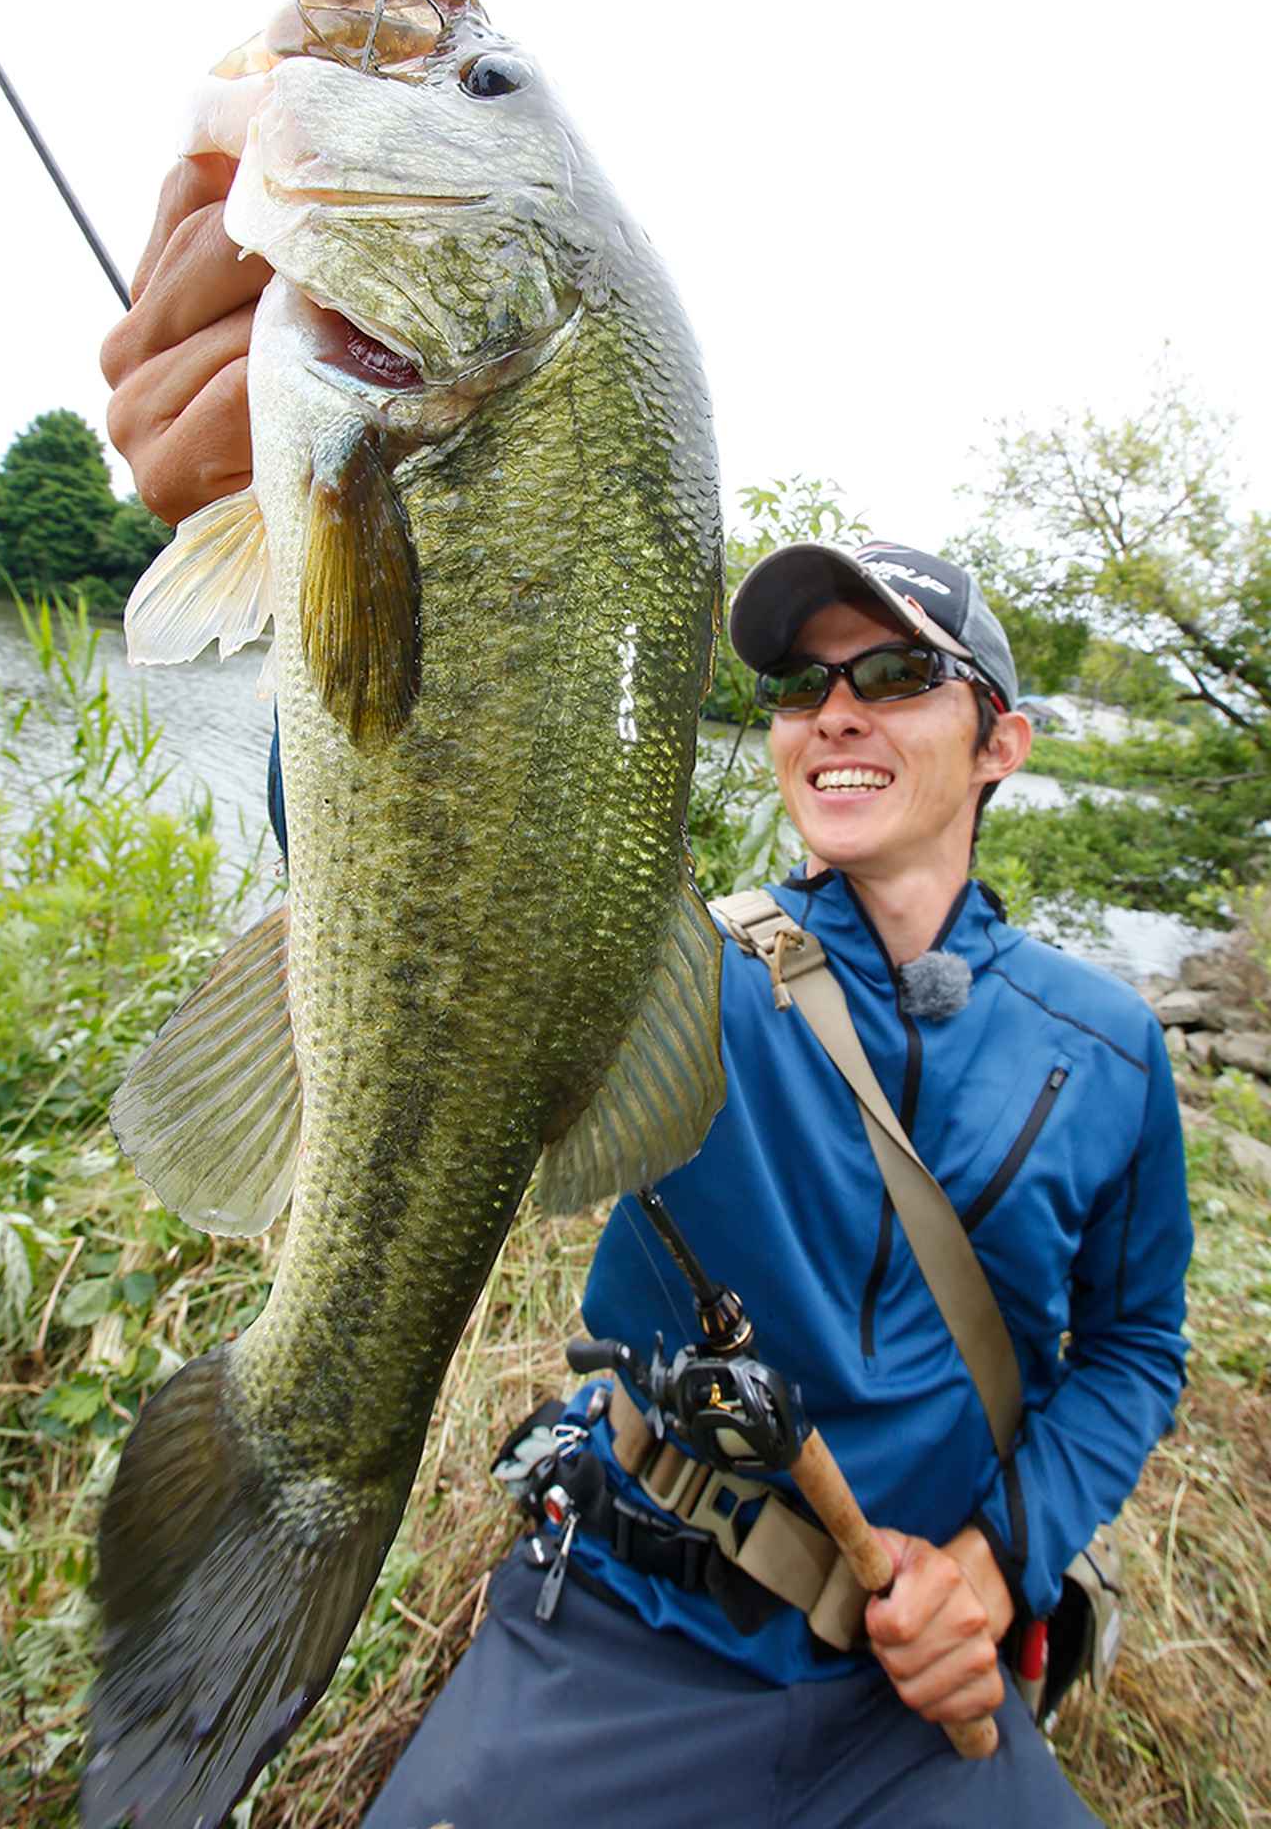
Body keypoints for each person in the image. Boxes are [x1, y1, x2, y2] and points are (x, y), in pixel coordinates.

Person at [103, 161, 1192, 1829]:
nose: (836, 707)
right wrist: (292, 535)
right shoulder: (694, 964)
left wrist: (1003, 1560)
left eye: (897, 672)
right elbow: (434, 865)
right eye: (800, 680)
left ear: (1005, 742)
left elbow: (1132, 1349)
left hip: (915, 1697)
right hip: (616, 1630)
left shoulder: (1109, 1048)